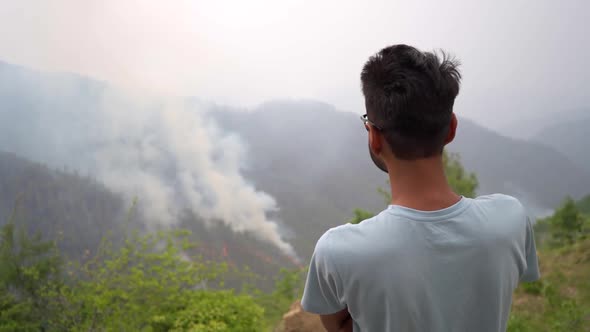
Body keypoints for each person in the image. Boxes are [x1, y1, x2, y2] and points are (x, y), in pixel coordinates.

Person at [301, 44, 540, 332]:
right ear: (451, 128)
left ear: (375, 137)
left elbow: (339, 327)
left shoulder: (338, 252)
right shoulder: (509, 220)